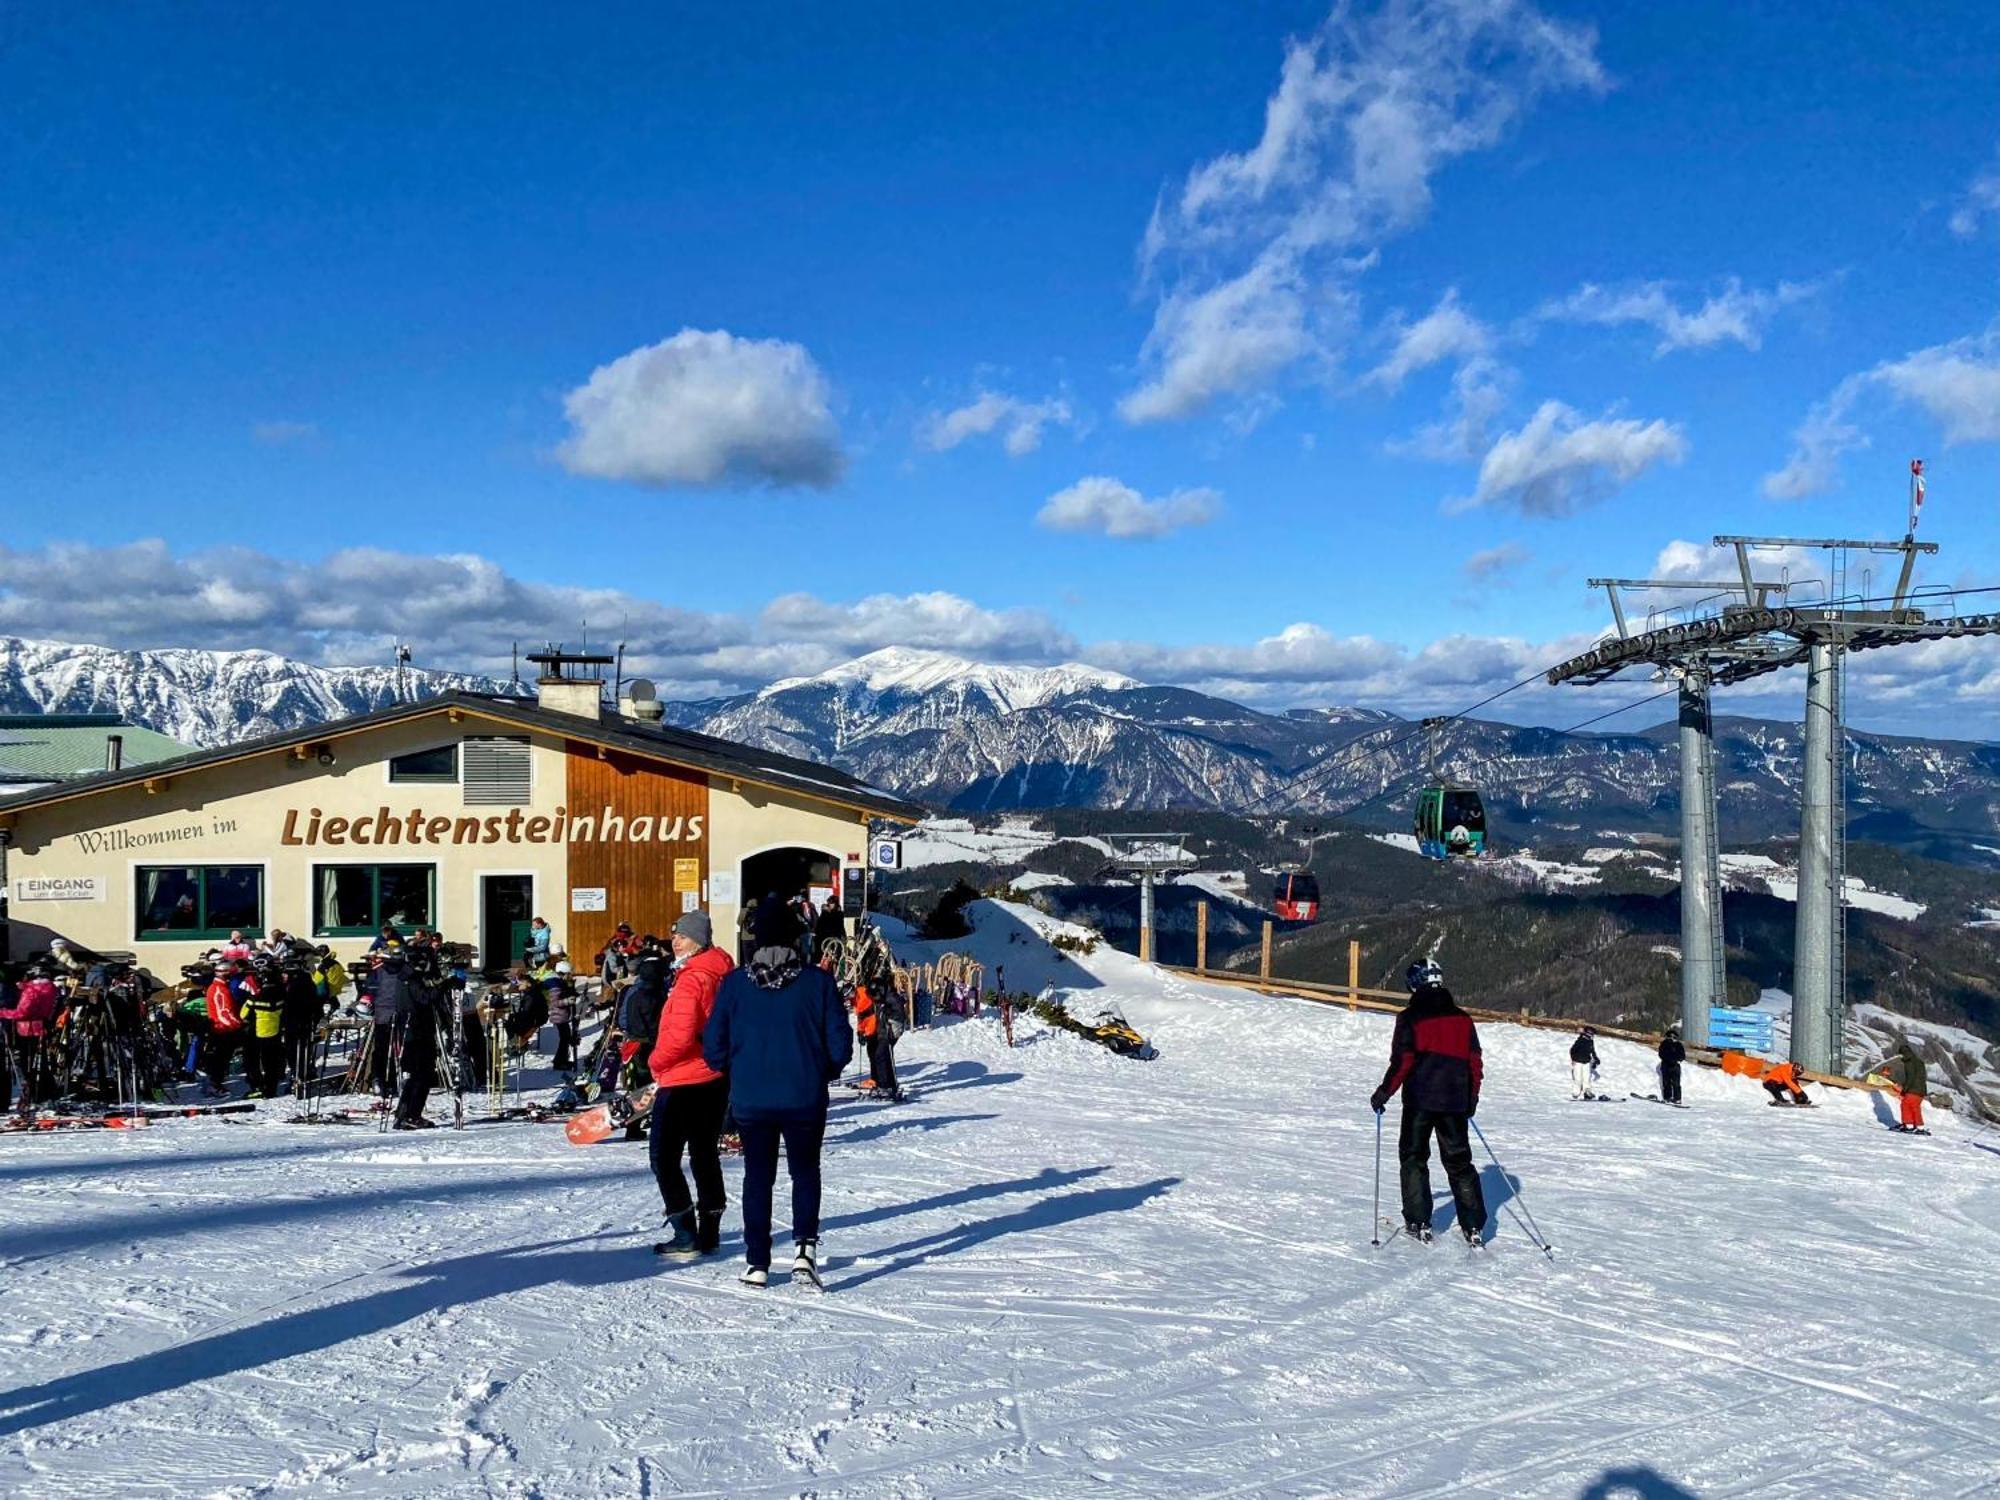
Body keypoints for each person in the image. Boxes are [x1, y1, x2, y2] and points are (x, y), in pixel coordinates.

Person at [702, 940, 852, 1288]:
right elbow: (840, 1042)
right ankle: (804, 1251)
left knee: (757, 1178)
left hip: (752, 1098)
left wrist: (734, 1070)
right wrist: (821, 1069)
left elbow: (714, 1044)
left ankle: (758, 1263)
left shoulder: (737, 983)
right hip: (804, 1096)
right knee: (805, 1171)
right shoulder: (818, 982)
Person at [1370, 962, 1487, 1246]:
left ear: (1415, 985)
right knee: (1460, 1163)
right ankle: (1473, 1226)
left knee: (1413, 1158)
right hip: (1454, 1102)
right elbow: (1474, 1062)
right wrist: (1470, 1099)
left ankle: (1418, 1220)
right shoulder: (1463, 1019)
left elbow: (1403, 1061)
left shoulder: (1410, 1018)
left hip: (1420, 1100)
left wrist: (1384, 1093)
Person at [648, 911, 736, 1257]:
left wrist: (655, 1063)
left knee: (663, 1157)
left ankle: (685, 1231)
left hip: (684, 1076)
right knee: (703, 1153)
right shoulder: (722, 972)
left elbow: (681, 1036)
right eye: (674, 936)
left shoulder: (692, 978)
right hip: (715, 1076)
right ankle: (710, 1229)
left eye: (681, 937)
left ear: (698, 941)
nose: (675, 942)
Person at [372, 948, 439, 1129]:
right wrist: (442, 987)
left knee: (417, 1076)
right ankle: (410, 1115)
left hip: (412, 1031)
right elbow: (424, 998)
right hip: (415, 1033)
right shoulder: (410, 978)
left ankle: (406, 1113)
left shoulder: (405, 976)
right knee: (421, 1075)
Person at [0, 967, 60, 1109]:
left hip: (27, 1029)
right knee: (40, 1062)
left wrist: (3, 1013)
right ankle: (44, 1093)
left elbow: (22, 1012)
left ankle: (36, 1093)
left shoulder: (31, 991)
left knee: (28, 1064)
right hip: (40, 1027)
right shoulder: (49, 988)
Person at [202, 960, 247, 1095]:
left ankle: (215, 1082)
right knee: (220, 1060)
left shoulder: (220, 987)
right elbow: (224, 1013)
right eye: (230, 974)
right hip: (222, 1030)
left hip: (223, 1028)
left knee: (221, 1059)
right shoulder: (219, 989)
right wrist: (239, 1024)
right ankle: (214, 1085)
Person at [1888, 1045, 1927, 1132]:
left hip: (1913, 1089)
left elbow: (1910, 1077)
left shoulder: (1909, 1062)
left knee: (1905, 1105)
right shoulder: (1919, 1061)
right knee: (1915, 1107)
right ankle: (1919, 1127)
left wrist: (1904, 1090)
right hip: (1921, 1090)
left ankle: (1908, 1125)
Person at [1569, 1026, 1601, 1100]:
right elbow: (1572, 1050)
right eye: (1591, 1033)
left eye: (1593, 1034)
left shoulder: (1591, 1041)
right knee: (1578, 1078)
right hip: (1578, 1062)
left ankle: (1587, 1092)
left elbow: (1592, 1051)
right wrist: (1573, 1059)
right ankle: (1576, 1092)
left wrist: (1596, 1058)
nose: (1592, 1035)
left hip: (1586, 1062)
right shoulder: (1580, 1040)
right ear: (1587, 1033)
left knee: (1586, 1078)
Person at [1657, 1026, 1685, 1105]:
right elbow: (1661, 1054)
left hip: (1673, 1065)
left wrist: (1677, 1060)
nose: (1672, 1038)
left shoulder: (1678, 1045)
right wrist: (1670, 1059)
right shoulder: (1664, 1044)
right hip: (1667, 1065)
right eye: (1670, 1036)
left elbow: (1682, 1055)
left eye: (1673, 1037)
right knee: (1667, 1082)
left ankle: (1676, 1098)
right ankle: (1668, 1097)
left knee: (1675, 1083)